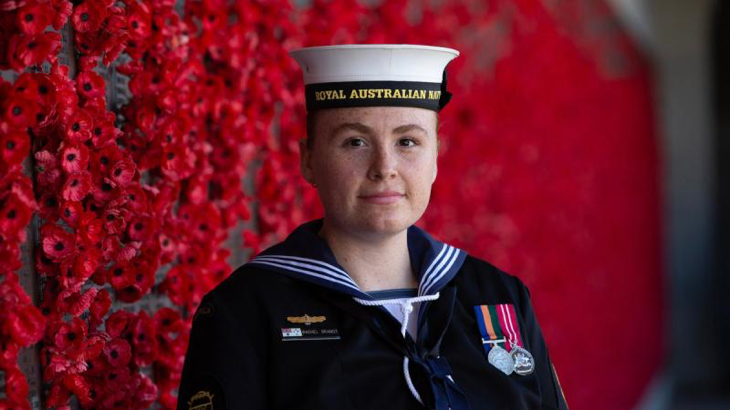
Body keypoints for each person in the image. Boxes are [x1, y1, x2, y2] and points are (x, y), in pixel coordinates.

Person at [177, 44, 569, 410]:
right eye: (354, 142)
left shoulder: (499, 295)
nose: (384, 167)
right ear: (309, 160)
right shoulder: (248, 309)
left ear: (435, 156)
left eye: (408, 142)